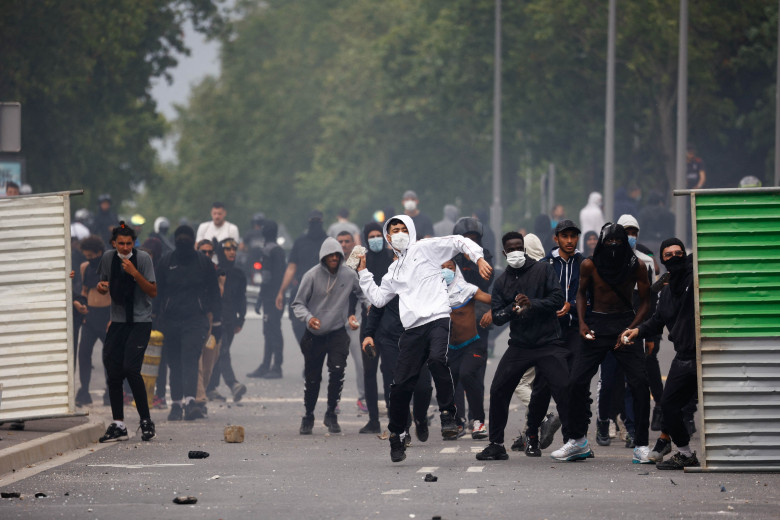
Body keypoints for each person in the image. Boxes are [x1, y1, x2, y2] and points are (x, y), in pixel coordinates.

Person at [357, 214, 492, 462]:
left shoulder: (426, 248)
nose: (398, 234)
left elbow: (459, 241)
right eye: (393, 231)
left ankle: (448, 415)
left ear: (410, 231)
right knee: (399, 386)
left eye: (402, 229)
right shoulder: (392, 271)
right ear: (388, 238)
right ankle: (397, 436)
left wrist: (479, 258)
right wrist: (363, 272)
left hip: (438, 319)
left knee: (437, 360)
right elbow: (377, 299)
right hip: (412, 330)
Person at [550, 223, 652, 463]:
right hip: (596, 325)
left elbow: (646, 302)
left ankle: (642, 445)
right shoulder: (590, 265)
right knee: (575, 381)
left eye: (619, 242)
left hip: (624, 325)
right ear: (602, 244)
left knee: (639, 383)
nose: (614, 247)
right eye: (610, 242)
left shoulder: (636, 265)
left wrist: (632, 328)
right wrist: (583, 323)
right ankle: (577, 441)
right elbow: (581, 294)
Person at [476, 231, 570, 461]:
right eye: (511, 249)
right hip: (520, 345)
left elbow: (557, 299)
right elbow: (497, 316)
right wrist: (512, 309)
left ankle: (575, 441)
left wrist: (532, 303)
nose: (516, 252)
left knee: (565, 388)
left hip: (548, 342)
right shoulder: (501, 282)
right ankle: (496, 444)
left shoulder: (543, 269)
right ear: (504, 252)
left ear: (524, 249)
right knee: (498, 388)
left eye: (519, 247)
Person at [624, 238, 699, 469]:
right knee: (668, 404)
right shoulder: (666, 293)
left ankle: (665, 440)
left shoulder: (693, 280)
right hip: (683, 357)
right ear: (663, 260)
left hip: (706, 355)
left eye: (679, 253)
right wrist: (637, 331)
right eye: (669, 255)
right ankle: (684, 453)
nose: (675, 257)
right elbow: (657, 321)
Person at [292, 237, 362, 435]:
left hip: (338, 332)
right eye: (329, 255)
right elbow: (297, 304)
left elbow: (362, 295)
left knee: (338, 372)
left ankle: (331, 413)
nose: (333, 258)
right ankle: (308, 415)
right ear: (323, 257)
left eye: (336, 255)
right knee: (313, 378)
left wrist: (355, 317)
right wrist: (308, 318)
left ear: (341, 256)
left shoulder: (349, 275)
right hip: (314, 334)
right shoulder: (311, 276)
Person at [96, 222, 157, 443]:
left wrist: (134, 273)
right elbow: (102, 283)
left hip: (140, 322)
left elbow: (152, 291)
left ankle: (146, 421)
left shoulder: (143, 259)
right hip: (118, 322)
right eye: (120, 243)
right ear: (114, 243)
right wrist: (102, 287)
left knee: (131, 369)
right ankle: (118, 424)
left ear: (134, 243)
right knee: (113, 371)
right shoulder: (108, 258)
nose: (124, 247)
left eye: (128, 243)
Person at [156, 225, 221, 421]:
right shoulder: (166, 262)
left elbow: (215, 294)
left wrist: (217, 323)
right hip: (170, 320)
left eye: (186, 238)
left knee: (190, 360)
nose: (182, 241)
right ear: (175, 241)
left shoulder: (204, 263)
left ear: (193, 241)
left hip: (195, 320)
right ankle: (176, 404)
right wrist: (153, 318)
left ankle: (191, 402)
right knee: (174, 363)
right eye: (180, 238)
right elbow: (157, 292)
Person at [442, 260, 492, 439]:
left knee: (467, 373)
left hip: (472, 344)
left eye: (450, 267)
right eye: (442, 268)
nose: (446, 271)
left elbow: (494, 300)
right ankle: (456, 423)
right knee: (450, 381)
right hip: (450, 347)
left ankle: (478, 422)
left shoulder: (467, 289)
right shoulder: (433, 294)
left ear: (456, 270)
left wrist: (491, 312)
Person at [276, 210, 328, 344]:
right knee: (297, 323)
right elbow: (291, 268)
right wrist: (281, 291)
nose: (315, 224)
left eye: (317, 221)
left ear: (321, 222)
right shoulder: (300, 242)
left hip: (324, 289)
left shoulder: (329, 242)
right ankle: (307, 351)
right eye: (313, 221)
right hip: (301, 289)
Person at [207, 238, 247, 403]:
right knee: (222, 352)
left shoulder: (238, 274)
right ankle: (233, 384)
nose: (232, 252)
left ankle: (210, 388)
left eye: (234, 248)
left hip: (231, 319)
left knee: (219, 353)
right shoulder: (214, 271)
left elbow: (241, 298)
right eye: (228, 249)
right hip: (217, 318)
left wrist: (241, 319)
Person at [74, 236, 111, 407]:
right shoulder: (84, 267)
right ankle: (84, 390)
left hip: (107, 315)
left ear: (99, 253)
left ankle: (110, 391)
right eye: (86, 256)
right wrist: (82, 306)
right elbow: (83, 290)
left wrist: (114, 318)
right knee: (84, 352)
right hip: (90, 314)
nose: (89, 258)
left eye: (91, 255)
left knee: (109, 355)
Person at [247, 219, 287, 378]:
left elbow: (267, 277)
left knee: (272, 331)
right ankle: (267, 364)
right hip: (277, 295)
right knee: (271, 330)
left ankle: (275, 366)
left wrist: (260, 298)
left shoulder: (268, 251)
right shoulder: (279, 250)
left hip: (271, 297)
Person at [335, 230, 365, 411]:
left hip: (356, 319)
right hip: (336, 322)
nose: (344, 244)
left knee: (361, 362)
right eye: (341, 241)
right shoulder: (331, 262)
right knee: (336, 363)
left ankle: (363, 397)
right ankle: (334, 399)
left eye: (347, 241)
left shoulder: (358, 261)